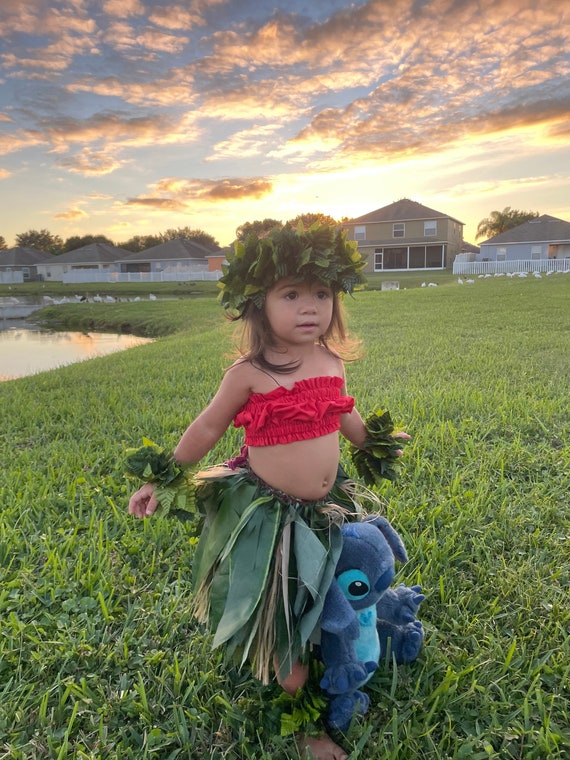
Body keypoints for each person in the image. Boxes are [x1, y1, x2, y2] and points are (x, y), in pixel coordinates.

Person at [128, 224, 407, 760]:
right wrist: (161, 478)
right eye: (292, 294)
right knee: (278, 617)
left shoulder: (331, 362)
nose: (311, 307)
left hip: (322, 510)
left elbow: (342, 414)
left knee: (317, 595)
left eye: (322, 294)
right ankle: (308, 728)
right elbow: (208, 427)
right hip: (268, 519)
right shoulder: (248, 374)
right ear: (258, 304)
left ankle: (336, 643)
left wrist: (374, 442)